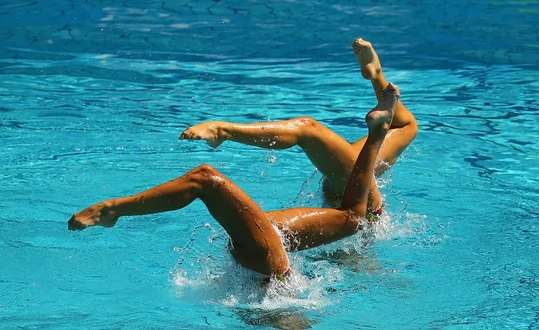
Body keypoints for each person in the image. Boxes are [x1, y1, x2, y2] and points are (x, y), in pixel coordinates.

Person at [68, 69, 401, 280]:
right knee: (354, 215)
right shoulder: (362, 188)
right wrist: (375, 74)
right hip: (271, 249)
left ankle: (111, 210)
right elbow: (406, 125)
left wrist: (375, 75)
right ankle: (375, 134)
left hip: (267, 254)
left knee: (205, 178)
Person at [179, 38, 418, 211]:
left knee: (308, 129)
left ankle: (222, 131)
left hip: (352, 200)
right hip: (358, 201)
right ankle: (376, 75)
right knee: (407, 127)